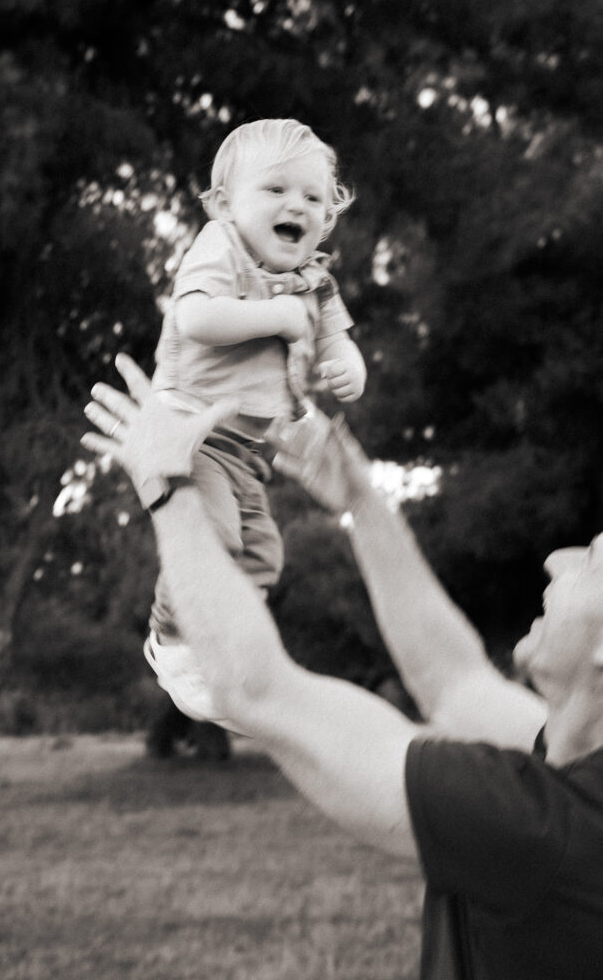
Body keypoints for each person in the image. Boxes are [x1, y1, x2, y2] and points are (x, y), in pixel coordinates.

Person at [82, 354, 603, 980]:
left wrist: (168, 485)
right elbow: (452, 677)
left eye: (594, 566)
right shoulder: (573, 770)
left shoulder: (544, 827)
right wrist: (360, 497)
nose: (556, 563)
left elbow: (259, 693)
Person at [148, 118, 366, 646]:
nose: (297, 206)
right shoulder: (221, 244)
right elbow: (195, 319)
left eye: (314, 198)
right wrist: (279, 317)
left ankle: (223, 645)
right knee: (217, 535)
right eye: (275, 189)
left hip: (249, 450)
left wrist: (350, 370)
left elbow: (339, 341)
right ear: (225, 204)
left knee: (263, 557)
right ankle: (172, 639)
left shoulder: (315, 281)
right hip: (189, 431)